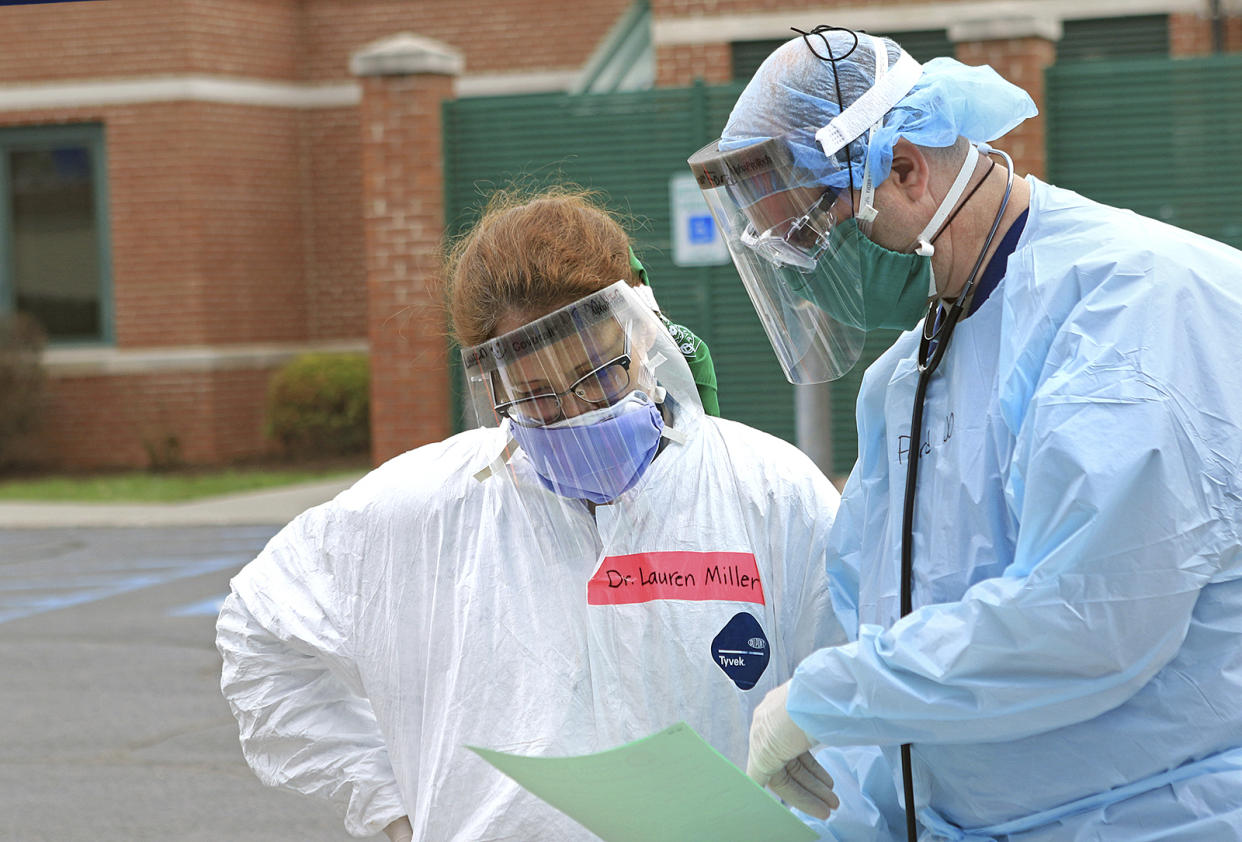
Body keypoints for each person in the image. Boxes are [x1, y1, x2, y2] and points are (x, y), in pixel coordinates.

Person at [689, 25, 1242, 842]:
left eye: (812, 232)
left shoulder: (1136, 310)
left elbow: (1087, 623)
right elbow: (880, 633)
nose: (815, 272)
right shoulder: (904, 380)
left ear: (904, 169)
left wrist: (826, 698)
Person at [215, 188, 848, 841]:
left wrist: (817, 745)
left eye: (596, 374)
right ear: (493, 390)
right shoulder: (424, 509)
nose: (574, 411)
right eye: (537, 393)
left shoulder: (766, 490)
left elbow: (859, 667)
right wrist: (388, 804)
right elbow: (258, 629)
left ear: (642, 332)